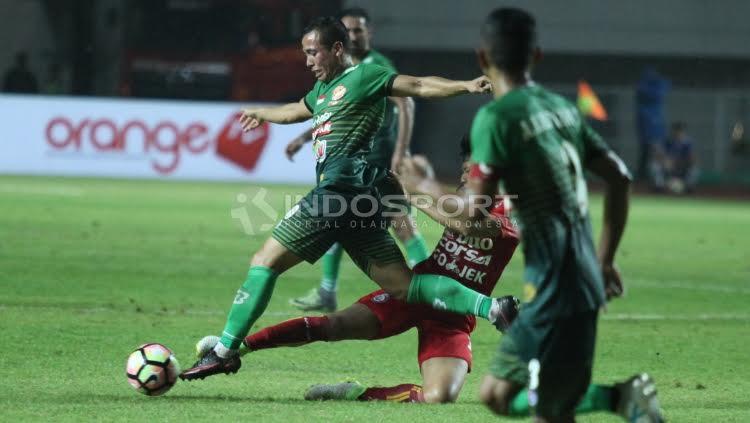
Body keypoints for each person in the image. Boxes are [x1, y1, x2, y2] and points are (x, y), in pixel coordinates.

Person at [180, 16, 510, 382]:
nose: (308, 61)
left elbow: (416, 85)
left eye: (312, 52)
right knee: (405, 286)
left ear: (336, 49)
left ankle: (225, 351)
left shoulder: (364, 76)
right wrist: (262, 114)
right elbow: (293, 111)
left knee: (266, 261)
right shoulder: (322, 91)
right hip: (363, 200)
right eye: (304, 53)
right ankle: (495, 308)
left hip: (339, 192)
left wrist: (465, 85)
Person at [397, 8, 664, 423]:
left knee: (547, 408)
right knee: (498, 395)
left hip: (556, 286)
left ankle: (624, 400)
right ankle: (623, 399)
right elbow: (621, 178)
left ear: (482, 58)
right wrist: (605, 260)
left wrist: (422, 186)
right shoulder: (561, 109)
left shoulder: (496, 117)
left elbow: (471, 221)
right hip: (577, 280)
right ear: (536, 56)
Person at [195, 135, 520, 403]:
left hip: (453, 313)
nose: (465, 178)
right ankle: (236, 347)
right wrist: (403, 205)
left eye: (471, 171)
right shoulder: (463, 196)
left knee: (439, 397)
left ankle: (355, 393)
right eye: (464, 170)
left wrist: (415, 195)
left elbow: (475, 228)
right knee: (332, 326)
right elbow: (425, 221)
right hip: (416, 290)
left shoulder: (513, 209)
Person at [286, 8, 428, 313]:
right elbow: (332, 113)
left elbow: (407, 103)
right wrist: (301, 139)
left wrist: (400, 152)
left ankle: (432, 282)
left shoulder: (377, 66)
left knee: (402, 224)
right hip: (344, 161)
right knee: (336, 220)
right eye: (348, 31)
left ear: (369, 33)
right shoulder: (342, 71)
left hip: (374, 162)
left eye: (358, 30)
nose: (353, 35)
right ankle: (327, 290)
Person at [635, 68, 670, 185]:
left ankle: (661, 181)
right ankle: (651, 181)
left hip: (654, 135)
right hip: (649, 136)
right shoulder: (645, 108)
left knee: (655, 158)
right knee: (649, 156)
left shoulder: (654, 108)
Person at [651, 121, 698, 193]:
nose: (677, 133)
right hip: (668, 168)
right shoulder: (667, 141)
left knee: (694, 169)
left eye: (680, 131)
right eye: (676, 131)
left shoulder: (687, 143)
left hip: (682, 168)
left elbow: (692, 159)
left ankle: (688, 188)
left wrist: (680, 163)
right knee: (655, 165)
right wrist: (665, 161)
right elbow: (658, 154)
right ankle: (660, 186)